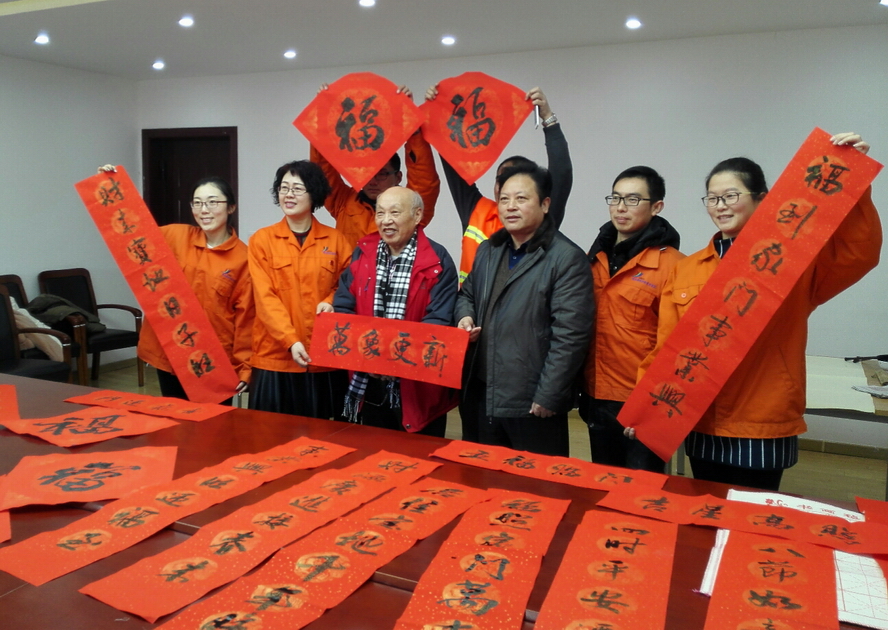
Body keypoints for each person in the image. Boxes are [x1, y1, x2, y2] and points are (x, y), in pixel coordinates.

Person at [630, 132, 881, 490]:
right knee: (705, 509)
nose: (720, 206)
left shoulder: (793, 263)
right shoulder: (687, 270)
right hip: (702, 415)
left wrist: (853, 179)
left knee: (752, 514)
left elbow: (859, 253)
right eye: (712, 198)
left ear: (762, 198)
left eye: (731, 196)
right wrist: (646, 404)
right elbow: (668, 347)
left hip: (763, 418)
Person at [455, 162, 593, 456]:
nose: (510, 207)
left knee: (533, 481)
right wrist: (465, 316)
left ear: (545, 204)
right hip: (481, 391)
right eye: (504, 199)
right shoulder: (489, 250)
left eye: (521, 198)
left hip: (530, 401)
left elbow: (571, 336)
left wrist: (549, 394)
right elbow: (467, 294)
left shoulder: (565, 259)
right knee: (482, 477)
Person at [98, 166, 254, 401]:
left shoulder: (243, 258)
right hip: (172, 349)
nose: (204, 210)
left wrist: (245, 367)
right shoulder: (175, 236)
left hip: (214, 360)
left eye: (213, 202)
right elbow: (132, 232)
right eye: (197, 203)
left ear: (231, 207)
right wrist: (111, 185)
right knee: (175, 416)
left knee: (214, 421)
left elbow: (247, 319)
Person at [581, 166, 684, 472]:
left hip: (642, 401)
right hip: (597, 395)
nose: (621, 207)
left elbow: (675, 345)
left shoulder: (674, 266)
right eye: (615, 198)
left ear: (657, 207)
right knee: (603, 482)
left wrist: (652, 406)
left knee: (642, 490)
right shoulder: (595, 257)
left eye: (633, 199)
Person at [333, 186, 458, 437]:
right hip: (368, 377)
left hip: (417, 385)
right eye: (380, 213)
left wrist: (389, 361)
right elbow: (344, 306)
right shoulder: (363, 253)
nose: (386, 220)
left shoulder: (437, 260)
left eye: (395, 212)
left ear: (417, 215)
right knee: (373, 450)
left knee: (419, 454)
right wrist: (368, 357)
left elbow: (438, 321)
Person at [425, 85, 572, 285]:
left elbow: (562, 173)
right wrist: (439, 112)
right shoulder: (477, 210)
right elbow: (452, 160)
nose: (505, 188)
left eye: (517, 186)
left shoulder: (541, 218)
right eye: (501, 180)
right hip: (471, 305)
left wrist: (548, 119)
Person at [247, 160, 353, 418]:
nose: (289, 194)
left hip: (324, 358)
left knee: (323, 434)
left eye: (297, 188)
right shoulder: (262, 240)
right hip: (274, 358)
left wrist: (331, 300)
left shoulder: (336, 240)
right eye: (283, 188)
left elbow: (348, 285)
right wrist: (290, 341)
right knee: (270, 434)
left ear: (313, 193)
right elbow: (265, 298)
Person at [311, 84, 440, 249]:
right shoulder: (344, 202)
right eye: (368, 173)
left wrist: (411, 123)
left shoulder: (411, 207)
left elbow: (424, 181)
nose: (372, 181)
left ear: (398, 177)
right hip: (351, 268)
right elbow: (322, 171)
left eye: (382, 174)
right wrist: (323, 115)